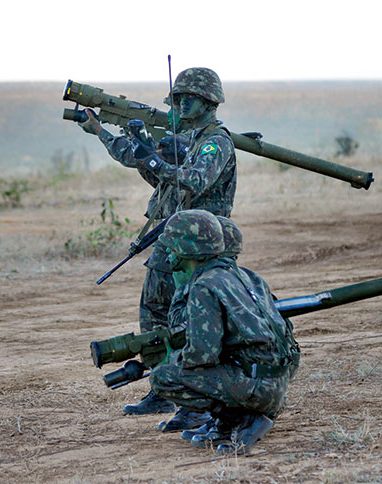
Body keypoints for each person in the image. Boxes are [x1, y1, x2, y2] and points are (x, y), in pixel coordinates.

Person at [78, 68, 237, 418]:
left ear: (209, 102)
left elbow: (195, 180)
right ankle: (164, 387)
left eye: (187, 98)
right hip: (175, 239)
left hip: (201, 246)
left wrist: (152, 158)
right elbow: (162, 180)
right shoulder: (191, 140)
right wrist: (109, 136)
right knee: (154, 313)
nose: (180, 104)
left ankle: (195, 401)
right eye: (176, 98)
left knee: (192, 321)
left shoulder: (216, 141)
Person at [150, 210, 296, 454]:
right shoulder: (248, 276)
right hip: (277, 381)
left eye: (171, 247)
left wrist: (169, 358)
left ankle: (241, 420)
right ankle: (229, 422)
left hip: (257, 388)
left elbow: (201, 355)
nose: (167, 253)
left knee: (163, 377)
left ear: (187, 249)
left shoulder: (204, 285)